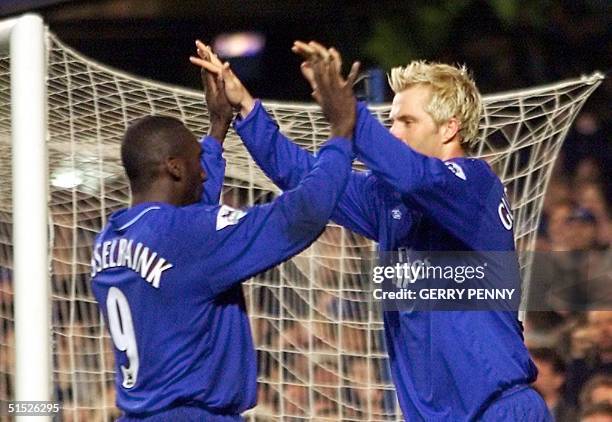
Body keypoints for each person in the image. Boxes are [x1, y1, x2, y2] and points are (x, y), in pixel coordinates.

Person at [191, 41, 551, 420]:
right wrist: (246, 107)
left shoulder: (475, 185)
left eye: (407, 121)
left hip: (498, 412)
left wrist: (352, 117)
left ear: (449, 129)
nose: (394, 132)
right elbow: (303, 175)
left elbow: (417, 178)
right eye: (391, 121)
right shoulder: (389, 200)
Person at [90, 49, 356, 420]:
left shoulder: (110, 238)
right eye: (199, 164)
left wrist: (218, 128)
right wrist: (342, 133)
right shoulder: (187, 236)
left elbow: (189, 220)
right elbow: (301, 216)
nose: (205, 173)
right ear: (175, 168)